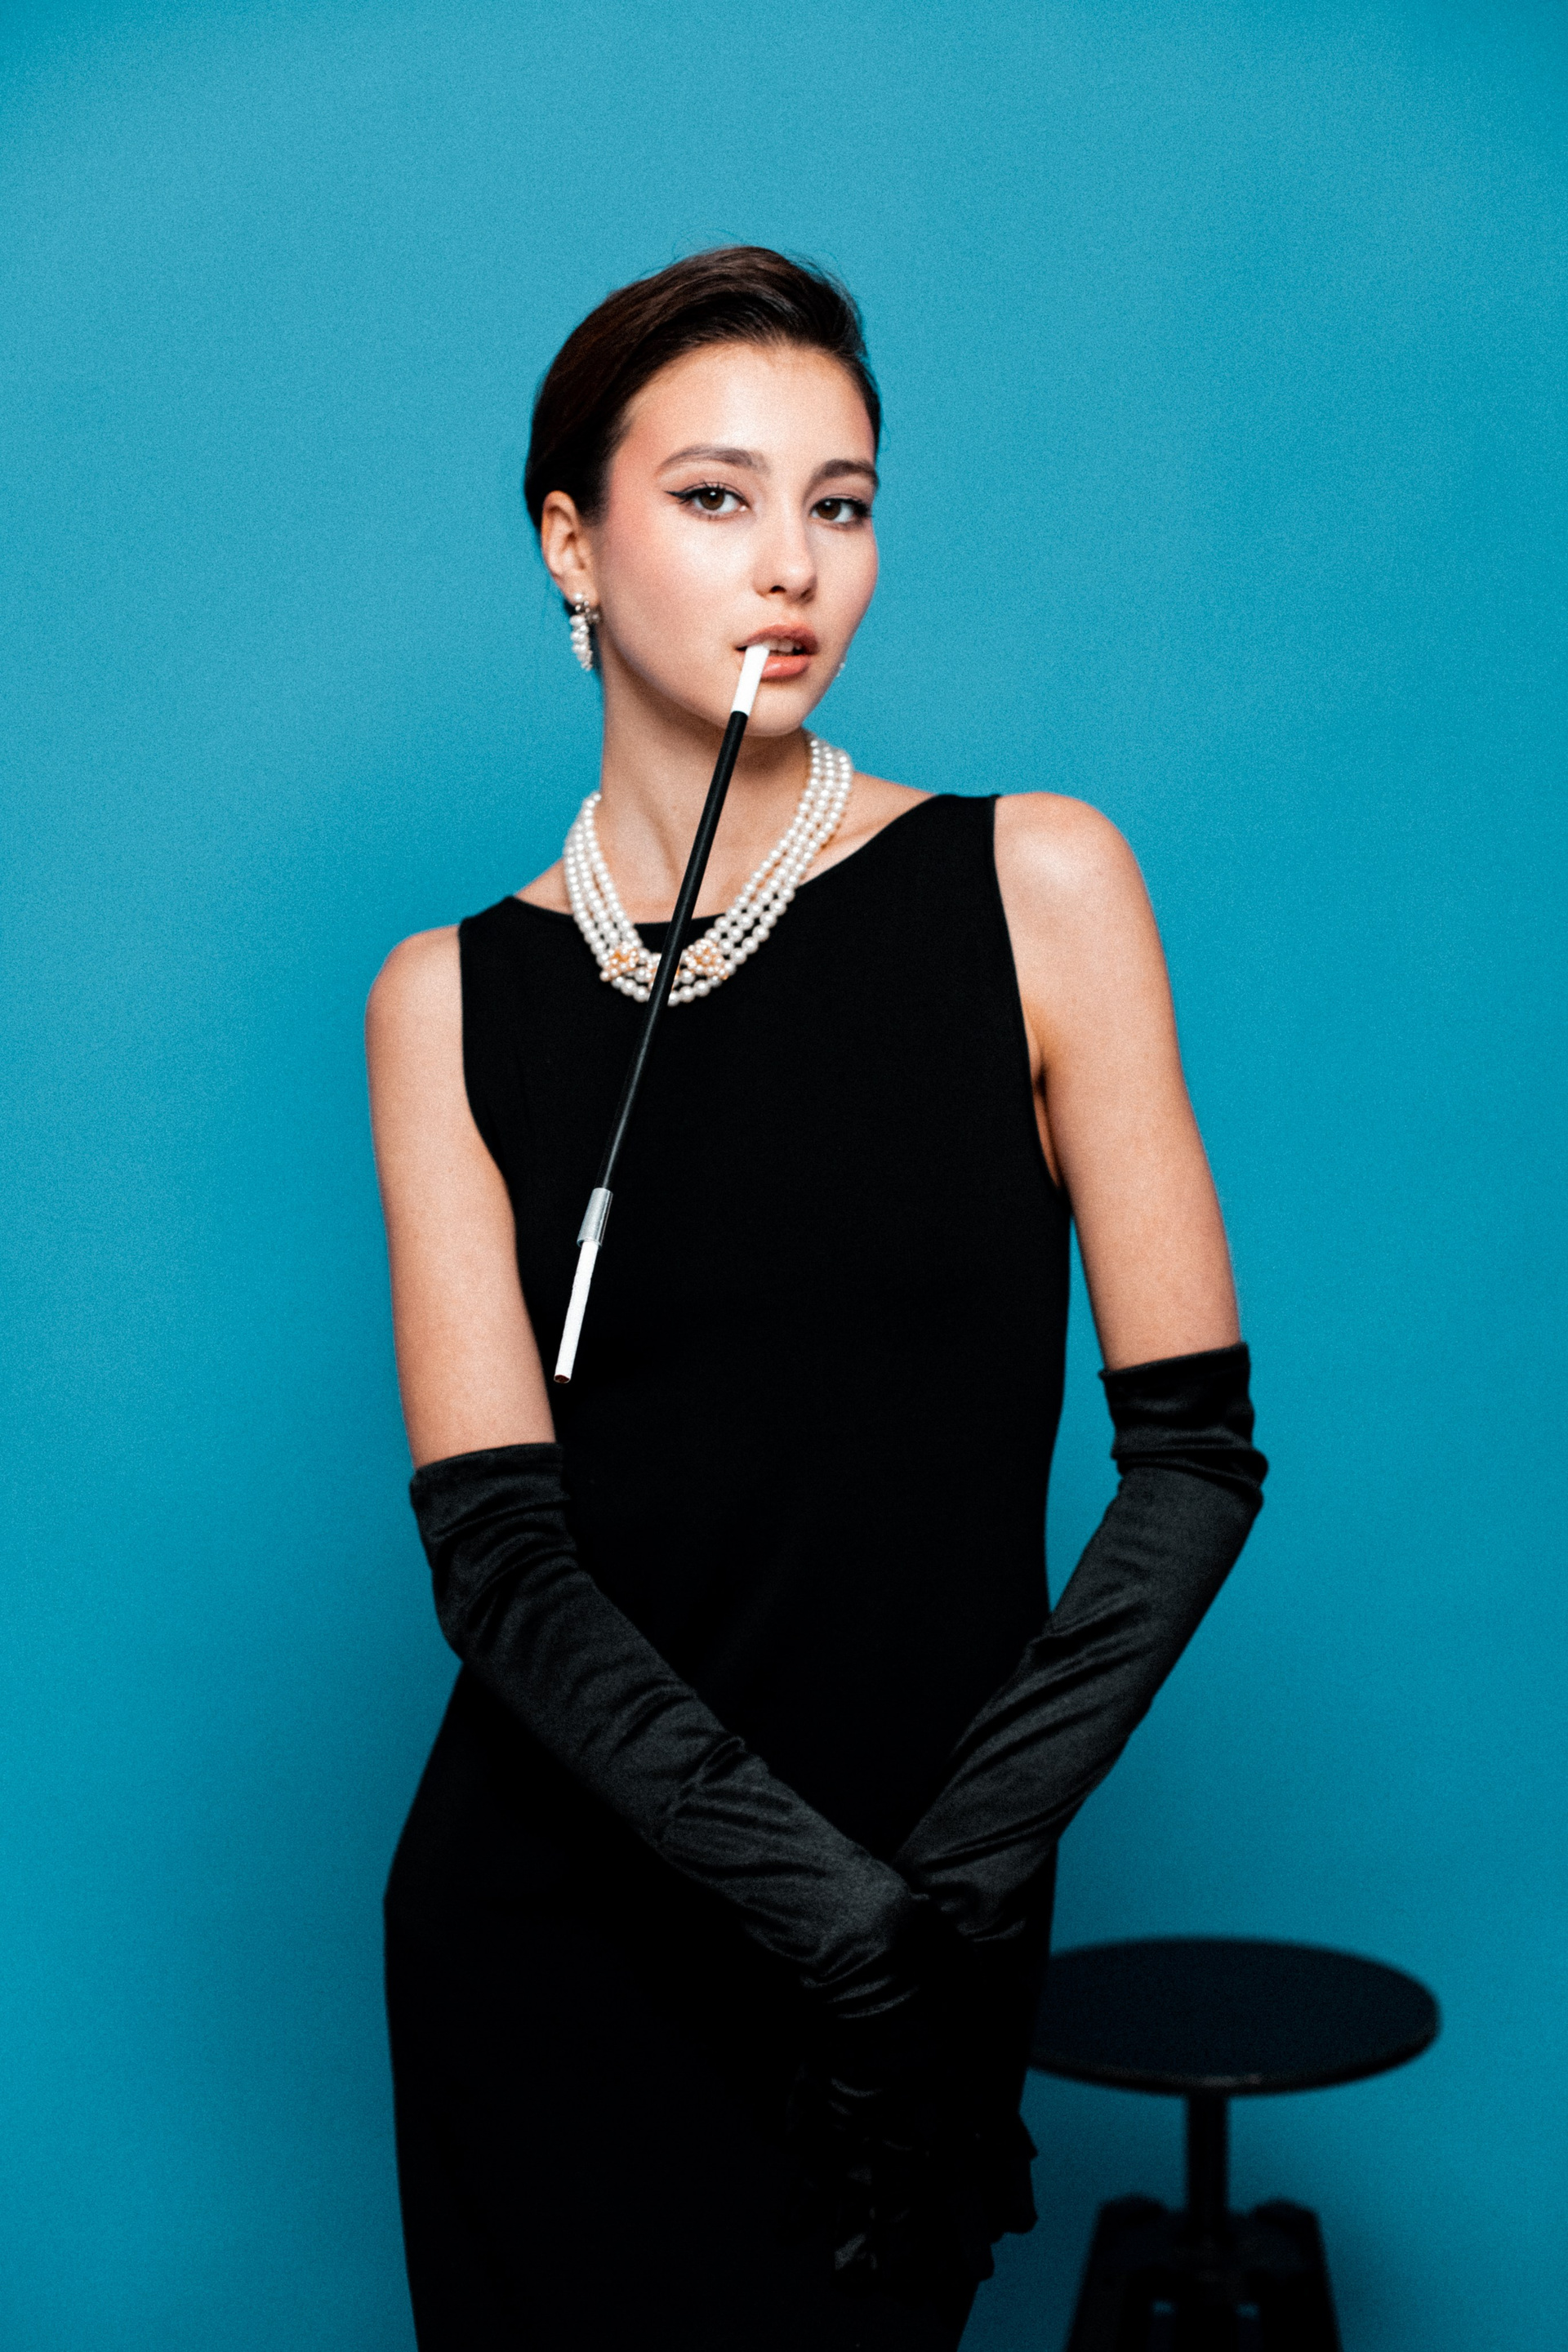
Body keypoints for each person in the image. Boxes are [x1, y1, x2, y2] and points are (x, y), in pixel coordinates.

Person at [366, 246, 1266, 2351]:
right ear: (571, 542)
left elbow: (1193, 1464)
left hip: (915, 1940)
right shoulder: (447, 1001)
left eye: (839, 503)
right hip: (548, 1950)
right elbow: (499, 1560)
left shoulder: (1035, 885)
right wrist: (818, 1902)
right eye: (716, 496)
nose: (793, 564)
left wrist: (930, 1903)